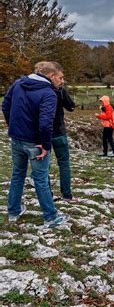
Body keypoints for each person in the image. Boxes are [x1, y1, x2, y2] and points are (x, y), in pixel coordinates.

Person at [2, 61, 69, 227]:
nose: (62, 82)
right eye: (60, 78)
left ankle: (14, 211)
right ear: (51, 75)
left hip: (17, 139)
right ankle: (51, 217)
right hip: (35, 143)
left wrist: (14, 127)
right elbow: (46, 123)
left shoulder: (18, 83)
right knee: (40, 179)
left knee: (17, 174)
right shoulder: (49, 93)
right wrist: (45, 145)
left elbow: (5, 105)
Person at [50, 70, 75, 201]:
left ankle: (47, 195)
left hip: (42, 133)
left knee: (44, 166)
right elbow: (71, 106)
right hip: (59, 131)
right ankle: (67, 194)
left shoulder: (37, 91)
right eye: (61, 78)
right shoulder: (59, 91)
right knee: (64, 164)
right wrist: (62, 90)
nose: (62, 81)